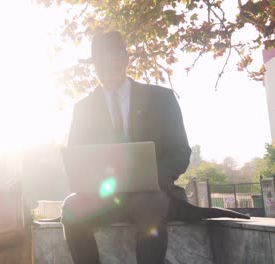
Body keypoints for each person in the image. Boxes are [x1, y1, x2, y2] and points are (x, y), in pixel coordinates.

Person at [62, 31, 249, 264]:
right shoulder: (84, 108)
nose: (109, 67)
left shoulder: (161, 98)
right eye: (101, 62)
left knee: (147, 204)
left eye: (114, 59)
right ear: (94, 66)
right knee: (71, 207)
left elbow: (180, 151)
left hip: (153, 195)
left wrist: (149, 178)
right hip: (105, 198)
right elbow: (77, 159)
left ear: (126, 60)